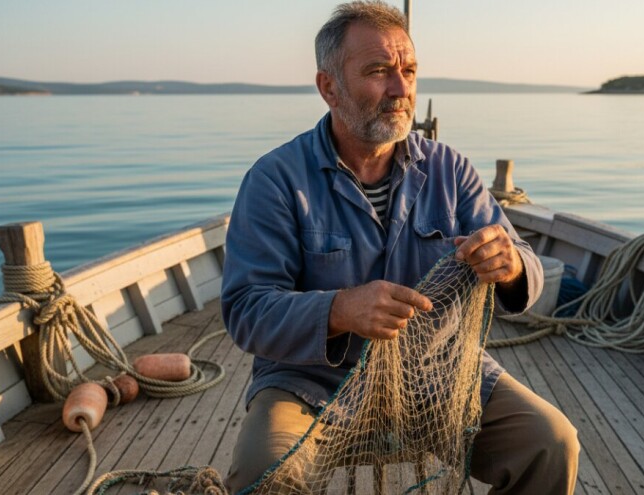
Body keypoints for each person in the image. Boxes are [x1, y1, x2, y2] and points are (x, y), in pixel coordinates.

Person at [221, 1, 579, 493]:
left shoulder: (451, 170)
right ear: (329, 87)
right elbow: (246, 310)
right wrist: (339, 310)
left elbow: (528, 269)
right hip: (312, 386)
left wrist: (512, 263)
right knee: (264, 472)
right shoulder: (274, 180)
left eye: (408, 71)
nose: (400, 88)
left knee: (551, 442)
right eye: (378, 71)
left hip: (440, 375)